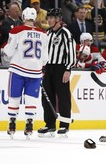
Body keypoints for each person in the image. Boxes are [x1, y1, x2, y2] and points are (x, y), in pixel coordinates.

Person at [3, 7, 48, 139]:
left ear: (23, 17)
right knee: (31, 100)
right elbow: (45, 58)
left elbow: (9, 52)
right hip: (35, 72)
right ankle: (29, 123)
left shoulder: (16, 30)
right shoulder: (43, 34)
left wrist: (5, 49)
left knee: (14, 98)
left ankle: (12, 123)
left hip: (18, 69)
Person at [38, 8, 76, 138]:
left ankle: (64, 125)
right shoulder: (47, 33)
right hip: (48, 68)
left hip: (61, 68)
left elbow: (71, 52)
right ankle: (50, 124)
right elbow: (43, 51)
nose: (48, 20)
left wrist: (68, 69)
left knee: (63, 97)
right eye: (48, 17)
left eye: (51, 17)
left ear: (58, 19)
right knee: (47, 97)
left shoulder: (65, 33)